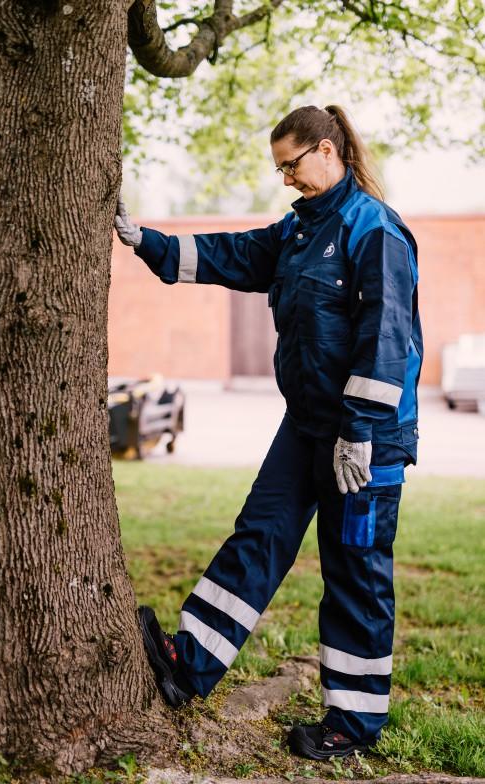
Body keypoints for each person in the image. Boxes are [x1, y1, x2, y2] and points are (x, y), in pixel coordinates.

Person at [114, 104, 423, 761]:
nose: (286, 179)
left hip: (367, 443)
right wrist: (145, 239)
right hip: (308, 428)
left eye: (292, 164)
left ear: (328, 150)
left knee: (355, 573)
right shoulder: (299, 233)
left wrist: (361, 435)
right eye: (279, 168)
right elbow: (230, 254)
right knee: (259, 535)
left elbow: (387, 339)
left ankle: (354, 725)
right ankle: (188, 663)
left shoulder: (375, 231)